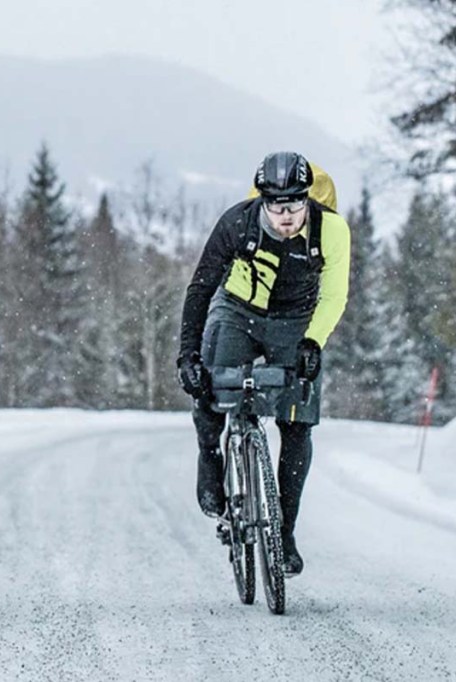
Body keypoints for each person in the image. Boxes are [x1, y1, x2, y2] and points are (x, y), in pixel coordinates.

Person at [176, 151, 350, 576]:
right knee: (211, 384)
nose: (286, 216)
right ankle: (209, 456)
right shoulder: (237, 223)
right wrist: (188, 356)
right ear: (262, 201)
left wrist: (313, 342)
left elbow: (334, 295)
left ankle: (284, 534)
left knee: (297, 423)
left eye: (295, 205)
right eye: (277, 206)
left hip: (297, 320)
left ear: (308, 200)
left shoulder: (331, 230)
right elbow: (201, 288)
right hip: (238, 309)